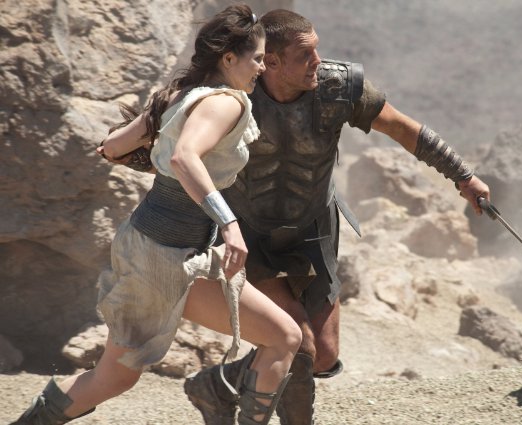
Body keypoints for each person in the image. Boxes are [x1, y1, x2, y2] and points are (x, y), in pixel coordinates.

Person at [97, 8, 491, 425]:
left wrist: (463, 176)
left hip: (312, 229)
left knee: (323, 355)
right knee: (297, 341)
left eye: (317, 51)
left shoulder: (339, 89)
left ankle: (217, 386)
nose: (318, 62)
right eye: (305, 55)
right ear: (270, 61)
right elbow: (173, 148)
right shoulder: (230, 97)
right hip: (251, 233)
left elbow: (402, 128)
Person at [10, 5, 301, 425]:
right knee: (114, 377)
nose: (261, 67)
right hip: (163, 257)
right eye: (257, 58)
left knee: (282, 336)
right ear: (228, 58)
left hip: (161, 248)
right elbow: (184, 157)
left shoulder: (182, 95)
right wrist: (229, 223)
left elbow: (111, 148)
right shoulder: (226, 102)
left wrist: (157, 146)